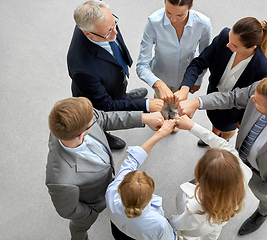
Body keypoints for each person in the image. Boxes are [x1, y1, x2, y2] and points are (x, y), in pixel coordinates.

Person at [177, 78, 267, 235]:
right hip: (237, 156)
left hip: (260, 177)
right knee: (216, 174)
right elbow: (232, 98)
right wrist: (197, 102)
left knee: (265, 197)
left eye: (256, 101)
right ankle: (205, 187)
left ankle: (264, 212)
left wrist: (261, 187)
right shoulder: (259, 91)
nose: (252, 98)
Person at [45, 97, 164, 240]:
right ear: (81, 134)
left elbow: (105, 118)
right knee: (79, 227)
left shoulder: (77, 120)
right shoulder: (60, 180)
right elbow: (68, 210)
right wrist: (92, 212)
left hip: (104, 181)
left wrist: (144, 118)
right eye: (91, 121)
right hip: (94, 203)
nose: (95, 117)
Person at [67, 0, 164, 149]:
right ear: (88, 33)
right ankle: (102, 134)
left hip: (109, 80)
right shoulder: (83, 70)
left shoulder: (96, 21)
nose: (115, 32)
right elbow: (105, 105)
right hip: (96, 100)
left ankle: (123, 98)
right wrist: (145, 105)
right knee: (98, 117)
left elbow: (111, 31)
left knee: (118, 92)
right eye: (108, 32)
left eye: (114, 24)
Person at [175, 17, 267, 146]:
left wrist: (242, 120)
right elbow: (199, 63)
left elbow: (256, 100)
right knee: (215, 123)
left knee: (225, 129)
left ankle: (222, 141)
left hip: (233, 111)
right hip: (212, 96)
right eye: (230, 39)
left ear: (252, 47)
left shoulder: (263, 69)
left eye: (234, 45)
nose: (228, 45)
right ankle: (213, 135)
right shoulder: (224, 37)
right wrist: (184, 88)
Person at [168, 115, 252, 240]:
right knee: (214, 233)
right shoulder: (243, 171)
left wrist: (169, 221)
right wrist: (192, 126)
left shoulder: (196, 206)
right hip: (220, 221)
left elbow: (183, 223)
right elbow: (221, 143)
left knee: (190, 237)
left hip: (196, 231)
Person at [136, 0, 211, 130]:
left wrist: (198, 80)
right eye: (168, 12)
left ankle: (174, 115)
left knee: (177, 103)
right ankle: (163, 116)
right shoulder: (154, 22)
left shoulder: (203, 24)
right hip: (160, 73)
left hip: (186, 76)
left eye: (180, 15)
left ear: (191, 6)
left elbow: (204, 57)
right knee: (161, 101)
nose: (173, 20)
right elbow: (141, 65)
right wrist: (158, 83)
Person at [106, 120, 179, 240]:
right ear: (150, 197)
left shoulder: (111, 191)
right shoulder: (159, 224)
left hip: (118, 231)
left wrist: (160, 133)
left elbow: (131, 162)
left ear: (120, 189)